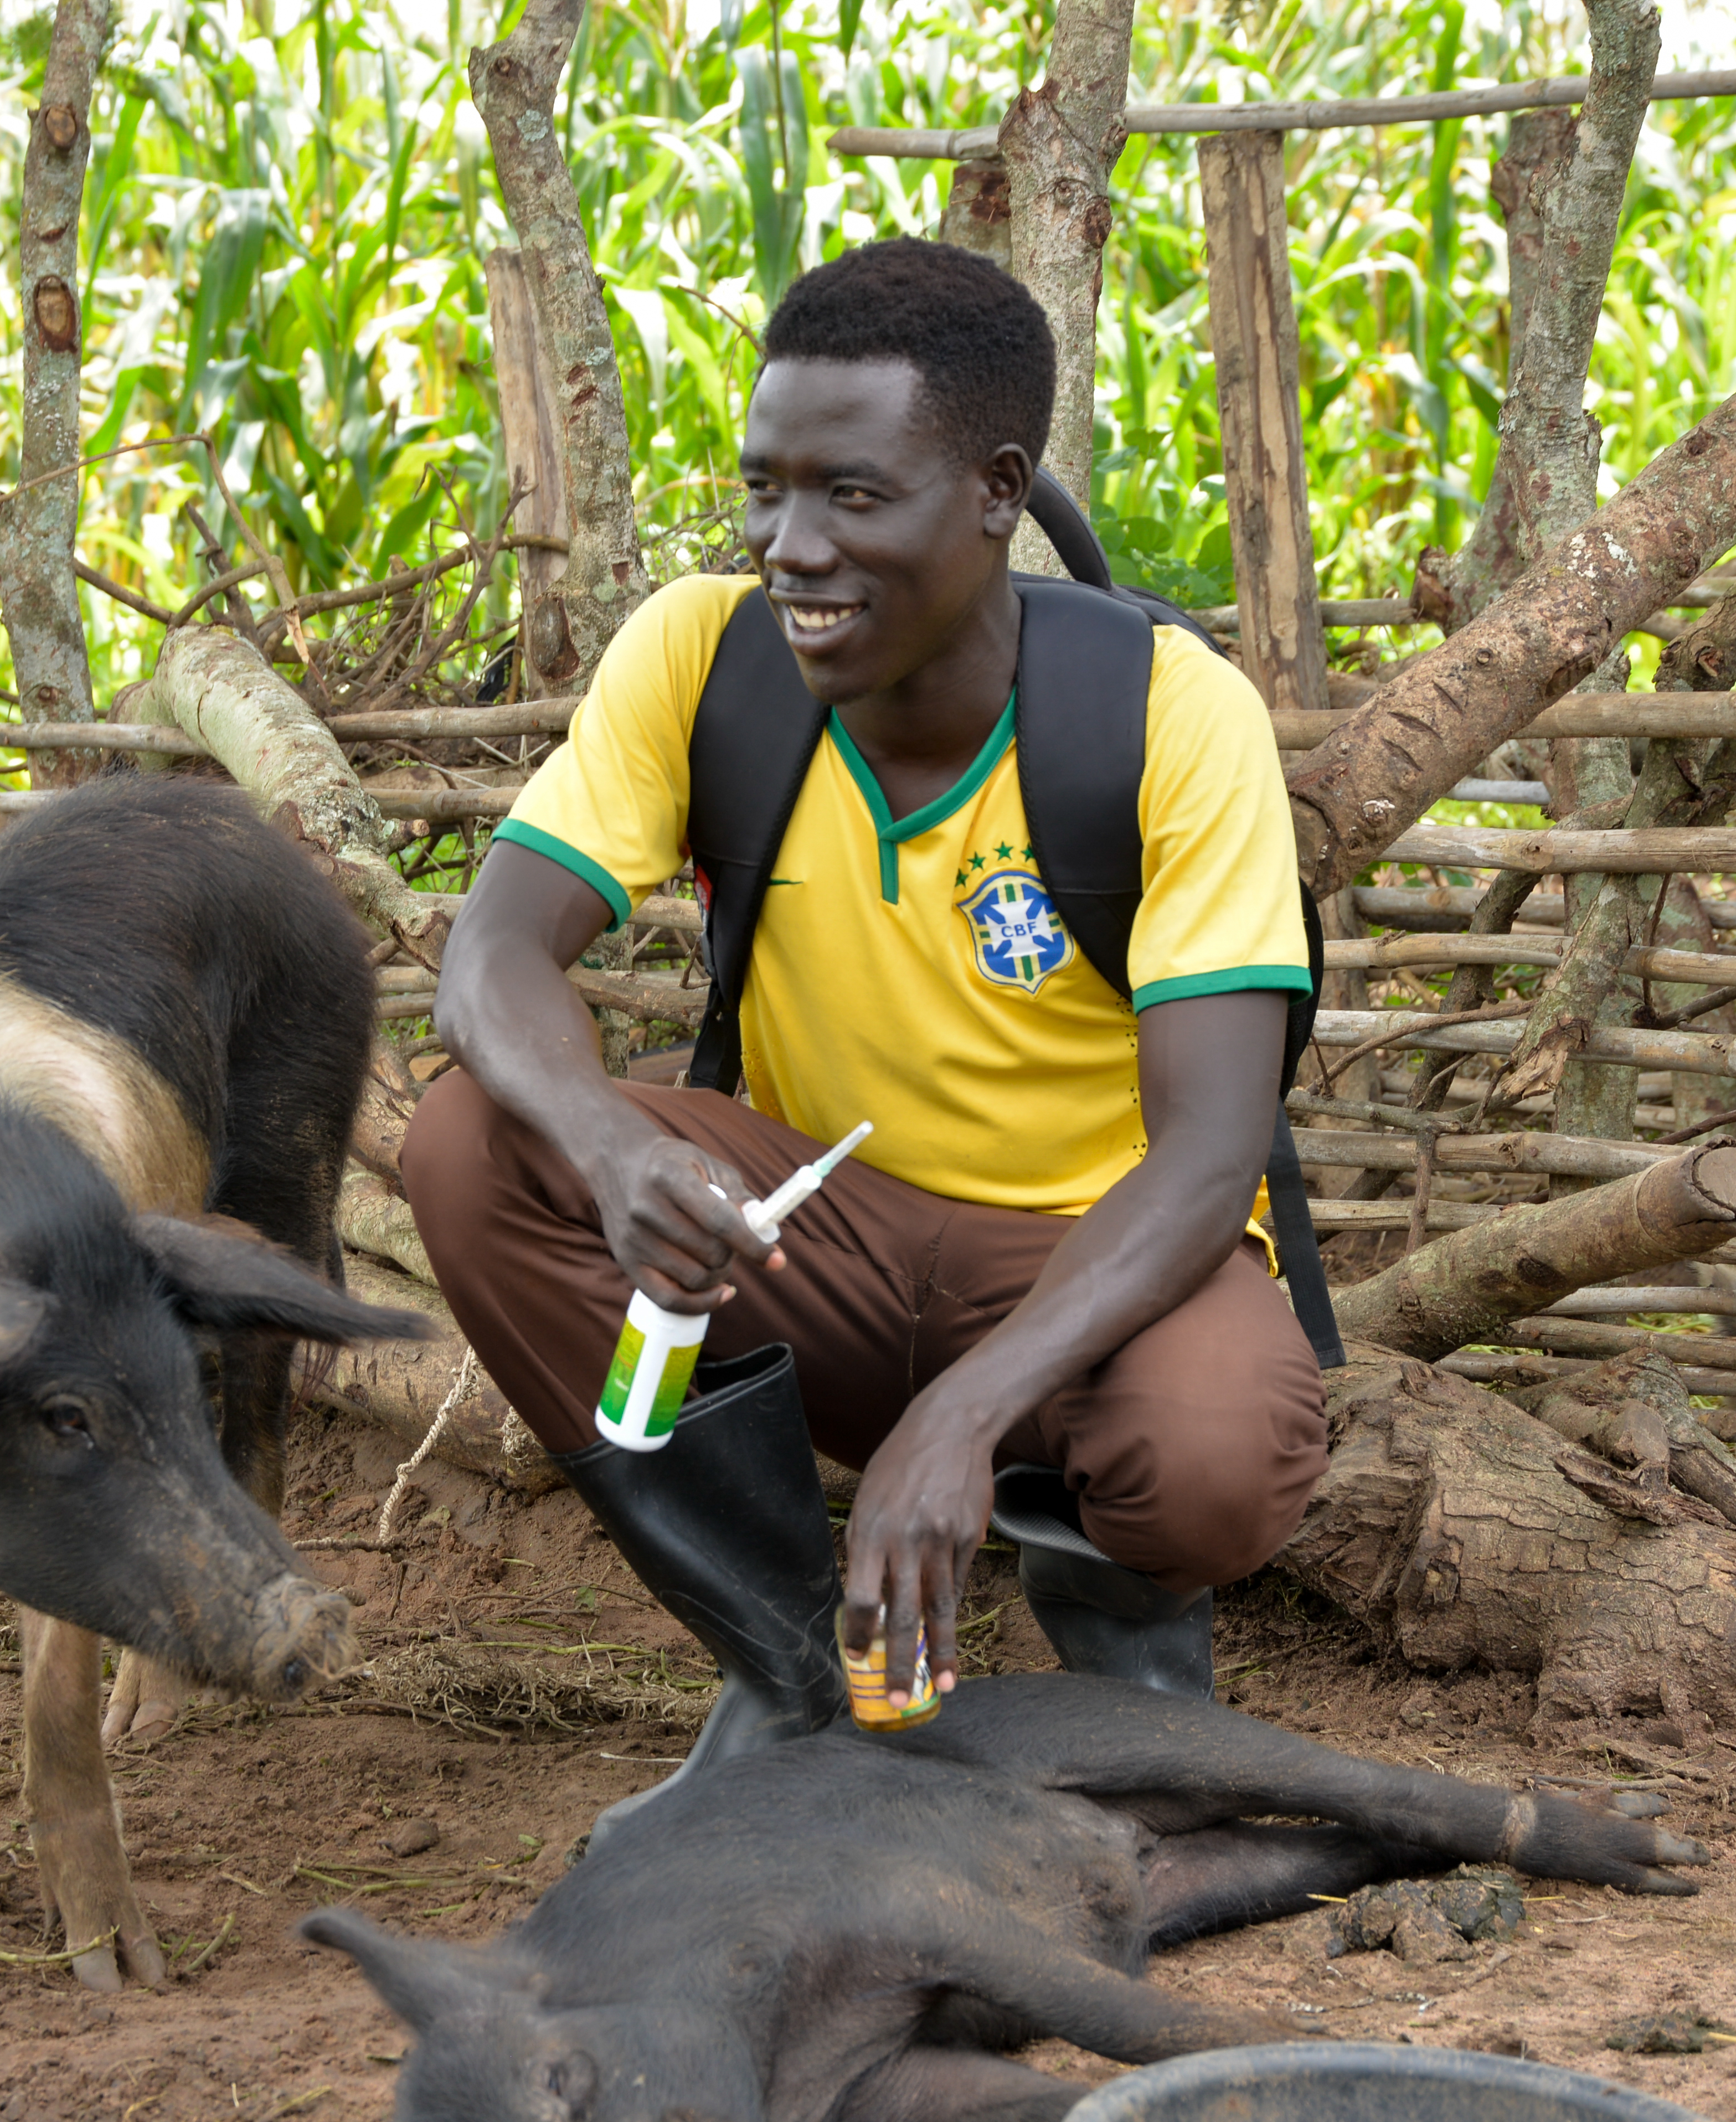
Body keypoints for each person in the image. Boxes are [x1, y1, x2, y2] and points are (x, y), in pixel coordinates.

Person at [404, 237, 1327, 1829]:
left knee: (1217, 1451)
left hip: (1086, 1256)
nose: (790, 545)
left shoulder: (1170, 716)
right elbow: (492, 955)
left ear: (994, 490)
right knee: (473, 1142)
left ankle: (1121, 1666)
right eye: (767, 489)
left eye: (852, 495)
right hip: (807, 1235)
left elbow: (1209, 1156)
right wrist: (617, 1148)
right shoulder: (702, 661)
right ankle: (787, 1669)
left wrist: (960, 1414)